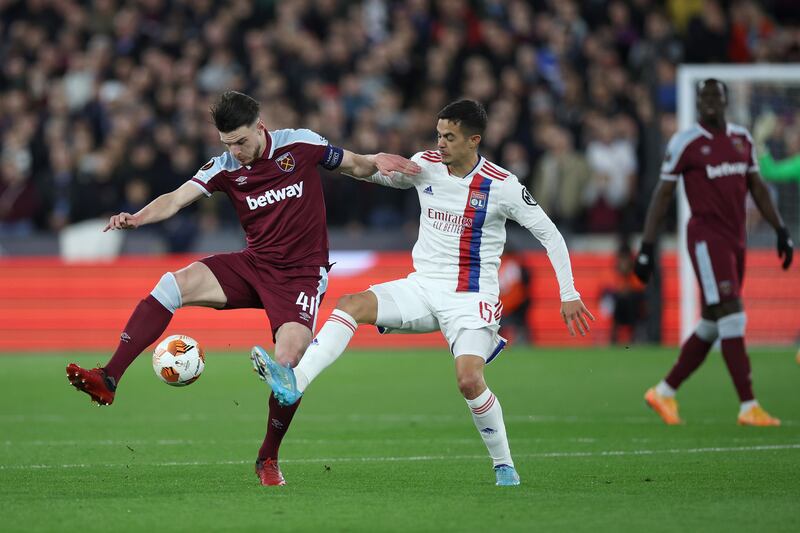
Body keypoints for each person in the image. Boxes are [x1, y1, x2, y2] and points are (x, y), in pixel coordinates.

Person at [65, 90, 420, 486]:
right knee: (172, 285)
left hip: (301, 275)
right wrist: (138, 217)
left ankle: (267, 459)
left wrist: (379, 163)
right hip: (254, 265)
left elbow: (353, 164)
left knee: (287, 364)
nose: (235, 151)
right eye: (227, 144)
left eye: (241, 142)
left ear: (261, 128)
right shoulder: (223, 167)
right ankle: (109, 377)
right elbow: (176, 198)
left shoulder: (301, 144)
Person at [250, 99, 595, 486]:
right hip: (422, 287)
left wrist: (569, 292)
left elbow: (550, 234)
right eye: (438, 134)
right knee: (351, 304)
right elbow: (379, 176)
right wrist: (355, 163)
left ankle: (504, 464)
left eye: (449, 136)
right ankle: (296, 382)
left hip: (470, 298)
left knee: (468, 380)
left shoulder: (502, 186)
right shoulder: (426, 164)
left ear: (473, 140)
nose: (441, 143)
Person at [634, 79, 794, 427]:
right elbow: (662, 195)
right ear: (698, 102)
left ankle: (664, 392)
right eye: (703, 97)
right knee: (732, 313)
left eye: (714, 97)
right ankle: (748, 405)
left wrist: (781, 230)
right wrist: (647, 246)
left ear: (724, 101)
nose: (708, 103)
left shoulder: (742, 139)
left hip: (737, 239)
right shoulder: (685, 142)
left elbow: (758, 188)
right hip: (707, 239)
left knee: (712, 320)